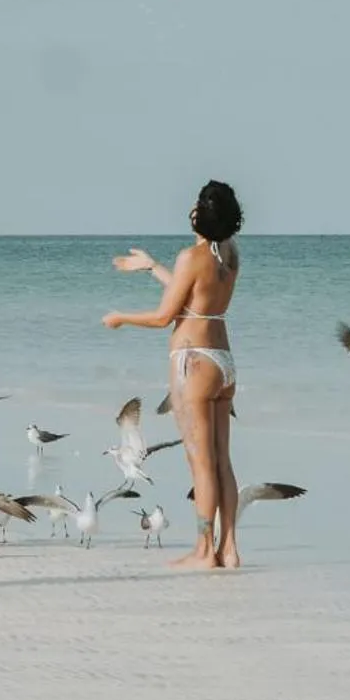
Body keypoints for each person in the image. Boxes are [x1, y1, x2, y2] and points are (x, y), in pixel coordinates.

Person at [103, 180, 244, 569]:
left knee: (200, 463)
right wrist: (152, 267)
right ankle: (228, 549)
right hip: (223, 362)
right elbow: (192, 297)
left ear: (198, 213)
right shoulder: (229, 254)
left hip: (192, 363)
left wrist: (121, 318)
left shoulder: (191, 256)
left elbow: (165, 315)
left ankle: (203, 551)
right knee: (222, 462)